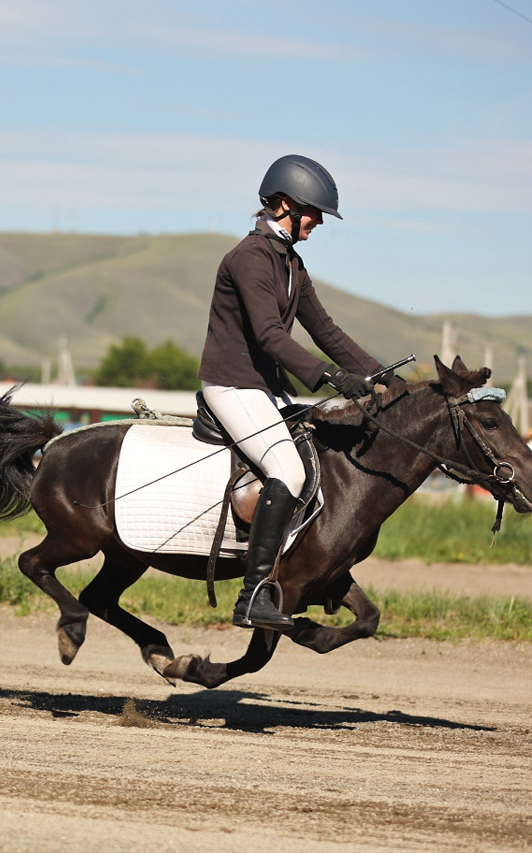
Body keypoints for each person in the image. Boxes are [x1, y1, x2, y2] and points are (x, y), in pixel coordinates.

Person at [198, 154, 399, 629]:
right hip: (231, 383)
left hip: (265, 388)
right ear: (285, 204)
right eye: (315, 213)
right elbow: (270, 335)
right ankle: (252, 596)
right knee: (287, 470)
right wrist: (331, 378)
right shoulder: (248, 258)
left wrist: (384, 379)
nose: (320, 223)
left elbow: (326, 332)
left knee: (322, 463)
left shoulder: (292, 262)